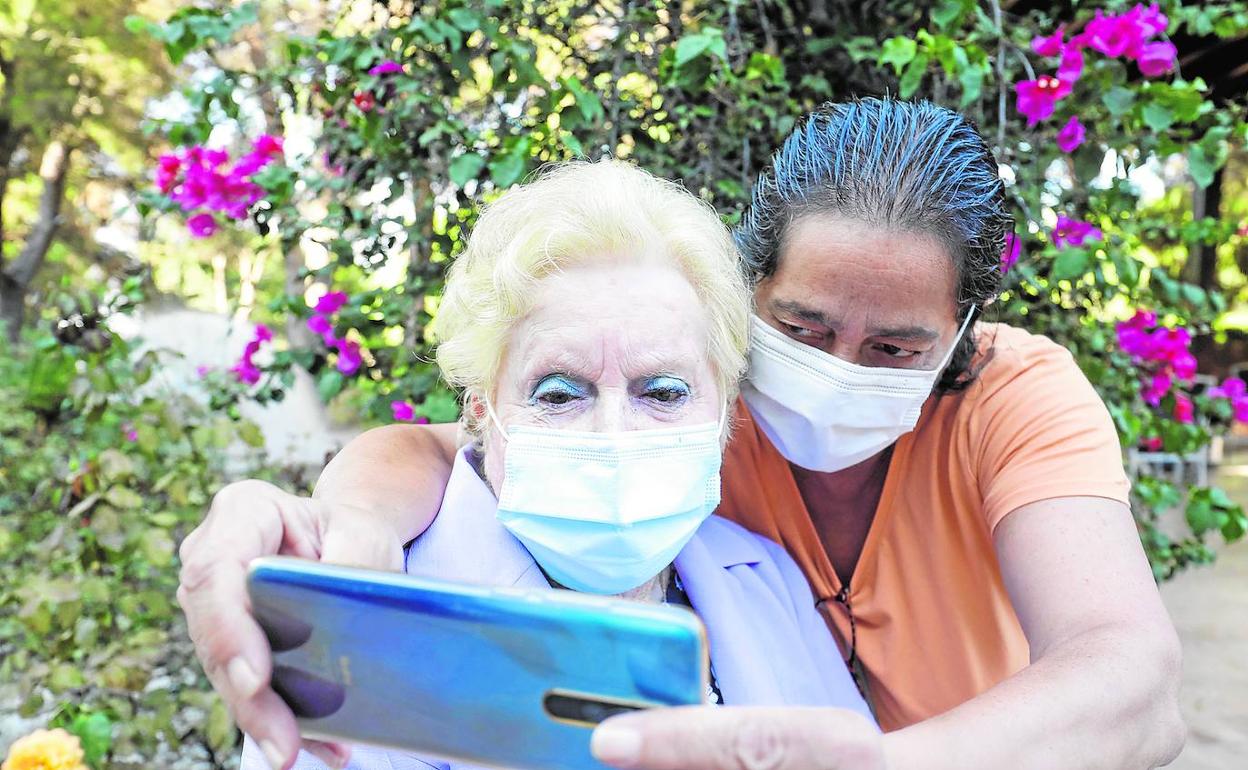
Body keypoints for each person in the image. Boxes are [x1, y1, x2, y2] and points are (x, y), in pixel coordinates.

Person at [181, 98, 1184, 770]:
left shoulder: (1009, 405)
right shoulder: (398, 642)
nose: (839, 367)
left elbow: (1130, 672)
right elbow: (443, 446)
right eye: (804, 327)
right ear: (753, 311)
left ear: (961, 333)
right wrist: (338, 530)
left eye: (895, 345)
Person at [229, 160, 872, 770]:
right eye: (560, 393)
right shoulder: (368, 627)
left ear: (724, 408)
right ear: (483, 412)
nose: (615, 433)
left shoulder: (766, 579)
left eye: (665, 392)